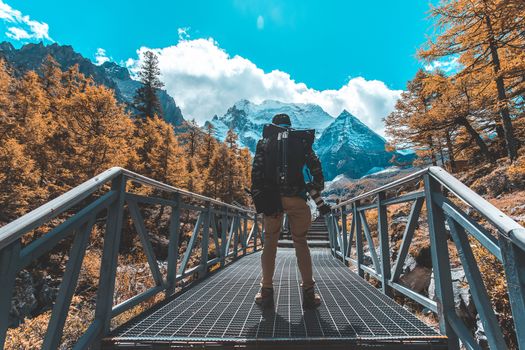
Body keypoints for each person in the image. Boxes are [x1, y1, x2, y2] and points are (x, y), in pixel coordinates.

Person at [251, 113, 324, 309]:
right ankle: (309, 293)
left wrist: (260, 197)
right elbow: (315, 166)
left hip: (272, 199)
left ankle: (265, 291)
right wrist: (316, 187)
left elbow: (256, 171)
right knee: (300, 242)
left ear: (273, 125)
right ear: (290, 125)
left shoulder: (265, 142)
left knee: (270, 243)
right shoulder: (300, 140)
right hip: (296, 198)